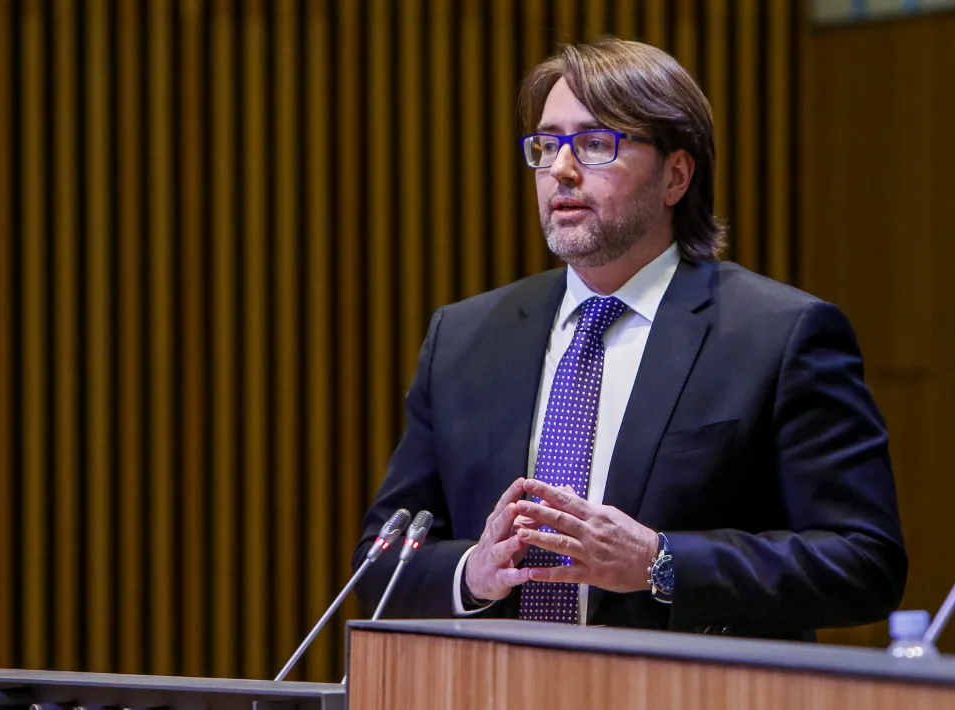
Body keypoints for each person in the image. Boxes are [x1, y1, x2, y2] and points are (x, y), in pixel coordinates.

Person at [352, 37, 906, 640]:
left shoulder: (778, 334)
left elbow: (863, 561)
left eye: (594, 144)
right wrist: (474, 573)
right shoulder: (463, 338)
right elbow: (383, 565)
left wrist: (660, 563)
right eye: (546, 145)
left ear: (675, 176)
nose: (560, 169)